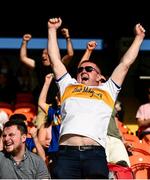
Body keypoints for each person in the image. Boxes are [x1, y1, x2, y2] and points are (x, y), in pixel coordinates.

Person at [47, 17, 145, 179]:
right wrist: (52, 30)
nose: (83, 70)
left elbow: (125, 64)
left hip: (95, 155)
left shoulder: (108, 89)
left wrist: (138, 38)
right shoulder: (68, 85)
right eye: (80, 69)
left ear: (100, 77)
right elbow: (55, 61)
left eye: (89, 69)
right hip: (66, 155)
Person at [20, 28, 74, 128]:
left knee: (58, 129)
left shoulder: (59, 65)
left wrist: (67, 37)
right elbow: (23, 58)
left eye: (46, 53)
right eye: (42, 53)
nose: (43, 56)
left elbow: (70, 54)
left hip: (58, 104)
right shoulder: (39, 65)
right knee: (40, 127)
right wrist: (24, 42)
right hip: (43, 104)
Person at [38, 73, 61, 177]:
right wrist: (47, 83)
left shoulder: (75, 111)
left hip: (70, 151)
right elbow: (41, 103)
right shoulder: (55, 112)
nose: (57, 98)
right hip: (55, 151)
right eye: (57, 96)